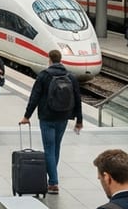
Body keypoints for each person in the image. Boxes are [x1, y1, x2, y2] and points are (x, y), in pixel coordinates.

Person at [19, 50, 82, 195]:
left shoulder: (44, 76)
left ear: (50, 60)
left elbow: (34, 97)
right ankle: (51, 178)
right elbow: (78, 98)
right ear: (60, 59)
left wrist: (27, 116)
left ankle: (53, 183)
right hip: (63, 117)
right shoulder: (70, 76)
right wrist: (79, 120)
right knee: (55, 148)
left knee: (49, 148)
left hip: (47, 117)